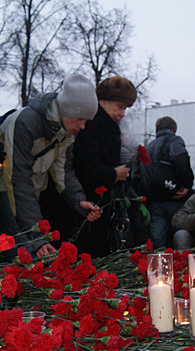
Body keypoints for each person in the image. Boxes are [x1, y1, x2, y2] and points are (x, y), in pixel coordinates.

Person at [0, 74, 102, 258]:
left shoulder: (66, 132)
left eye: (86, 121)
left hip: (30, 198)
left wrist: (78, 200)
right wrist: (35, 235)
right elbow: (17, 179)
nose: (83, 126)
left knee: (29, 256)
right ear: (66, 110)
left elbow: (63, 171)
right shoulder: (25, 122)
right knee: (17, 255)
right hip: (7, 193)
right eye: (79, 119)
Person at [72, 75, 145, 257]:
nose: (122, 113)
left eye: (125, 108)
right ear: (103, 102)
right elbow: (85, 166)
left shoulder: (107, 127)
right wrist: (114, 174)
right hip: (89, 203)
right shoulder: (91, 126)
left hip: (100, 202)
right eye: (120, 107)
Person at [143, 116, 194, 249]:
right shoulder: (175, 141)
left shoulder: (148, 147)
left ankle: (158, 267)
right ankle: (180, 268)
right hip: (175, 199)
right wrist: (187, 185)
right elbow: (181, 161)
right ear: (174, 128)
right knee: (179, 238)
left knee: (157, 242)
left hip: (154, 202)